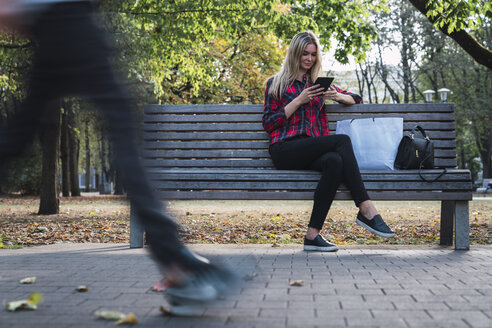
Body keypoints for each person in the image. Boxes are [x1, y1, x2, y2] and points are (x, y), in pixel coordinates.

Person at [0, 0, 236, 312]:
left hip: (59, 24)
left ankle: (175, 265)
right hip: (67, 21)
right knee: (122, 132)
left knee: (20, 132)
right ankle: (176, 263)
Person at [263, 31, 395, 252]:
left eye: (313, 55)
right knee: (341, 141)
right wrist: (298, 101)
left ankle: (312, 236)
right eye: (304, 54)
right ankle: (366, 208)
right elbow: (269, 123)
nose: (309, 59)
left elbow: (355, 97)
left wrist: (336, 96)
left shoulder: (316, 83)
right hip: (284, 149)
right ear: (295, 53)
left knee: (334, 161)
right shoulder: (275, 83)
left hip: (311, 150)